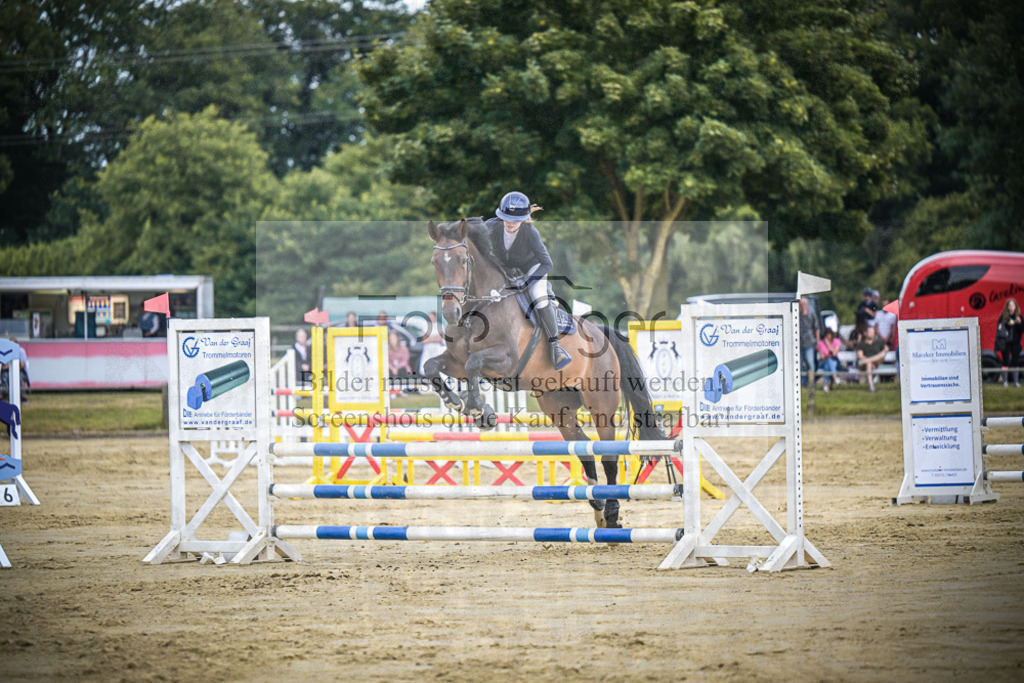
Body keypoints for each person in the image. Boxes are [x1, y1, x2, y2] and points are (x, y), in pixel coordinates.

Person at [484, 190, 570, 370]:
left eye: (514, 220)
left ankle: (556, 347)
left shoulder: (531, 233)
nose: (509, 223)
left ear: (523, 219)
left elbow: (547, 263)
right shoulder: (491, 226)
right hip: (506, 267)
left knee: (538, 296)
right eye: (505, 217)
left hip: (533, 267)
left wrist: (527, 282)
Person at [995, 298, 1023, 387]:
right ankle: (1005, 382)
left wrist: (1018, 323)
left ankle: (1016, 382)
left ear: (1016, 307)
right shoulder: (1003, 316)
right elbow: (999, 328)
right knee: (1005, 362)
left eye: (1013, 305)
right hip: (1005, 343)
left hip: (1015, 343)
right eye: (1009, 305)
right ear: (1007, 307)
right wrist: (1006, 324)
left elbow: (1022, 329)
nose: (1011, 307)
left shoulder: (1019, 317)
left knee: (1015, 362)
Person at [855, 325, 888, 392]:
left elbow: (886, 349)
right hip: (864, 365)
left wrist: (871, 361)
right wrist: (870, 362)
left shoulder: (878, 342)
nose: (872, 334)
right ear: (865, 333)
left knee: (881, 355)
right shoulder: (861, 344)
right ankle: (871, 386)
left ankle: (870, 384)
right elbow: (860, 356)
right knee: (869, 364)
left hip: (875, 363)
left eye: (873, 332)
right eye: (870, 332)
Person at [798, 296, 820, 388]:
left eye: (804, 304)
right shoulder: (797, 314)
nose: (803, 305)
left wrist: (817, 341)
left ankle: (811, 382)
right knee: (800, 364)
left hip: (809, 342)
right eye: (801, 304)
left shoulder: (811, 314)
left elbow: (816, 328)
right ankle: (802, 383)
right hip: (799, 343)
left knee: (810, 363)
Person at [418, 311, 445, 377]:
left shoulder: (440, 326)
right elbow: (424, 340)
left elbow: (439, 339)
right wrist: (434, 338)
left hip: (437, 349)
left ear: (435, 317)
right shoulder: (425, 326)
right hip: (428, 349)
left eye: (432, 317)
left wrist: (430, 338)